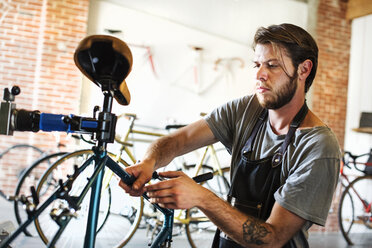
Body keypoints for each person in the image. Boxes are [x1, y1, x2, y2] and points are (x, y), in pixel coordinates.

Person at [119, 23, 340, 248]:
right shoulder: (245, 110)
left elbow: (272, 240)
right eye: (257, 64)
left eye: (272, 66)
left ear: (303, 70)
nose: (260, 75)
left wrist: (201, 197)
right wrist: (148, 161)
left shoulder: (318, 146)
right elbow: (179, 140)